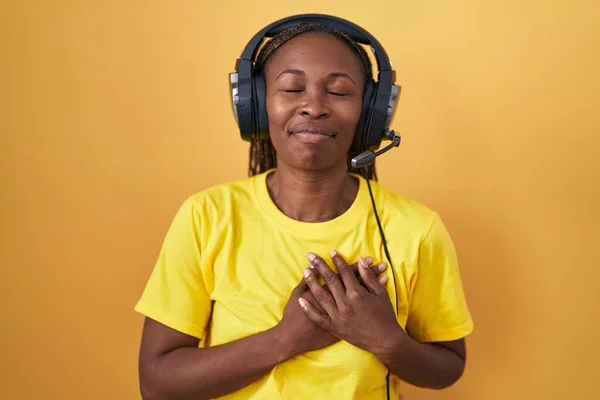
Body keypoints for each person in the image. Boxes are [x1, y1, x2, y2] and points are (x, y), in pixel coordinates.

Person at [134, 16, 473, 400]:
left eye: (340, 92)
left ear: (372, 113)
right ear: (255, 106)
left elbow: (448, 366)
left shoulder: (417, 229)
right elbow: (157, 383)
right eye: (293, 88)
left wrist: (384, 339)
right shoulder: (206, 216)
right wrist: (285, 339)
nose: (314, 106)